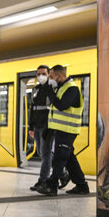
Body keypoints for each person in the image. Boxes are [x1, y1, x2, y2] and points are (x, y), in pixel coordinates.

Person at [36, 65, 89, 196]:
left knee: (59, 158)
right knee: (69, 158)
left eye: (52, 76)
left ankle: (52, 185)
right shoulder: (61, 88)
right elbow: (54, 112)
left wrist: (50, 92)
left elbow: (61, 106)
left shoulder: (72, 89)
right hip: (60, 129)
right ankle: (82, 185)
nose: (50, 79)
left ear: (59, 76)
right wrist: (49, 128)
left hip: (69, 130)